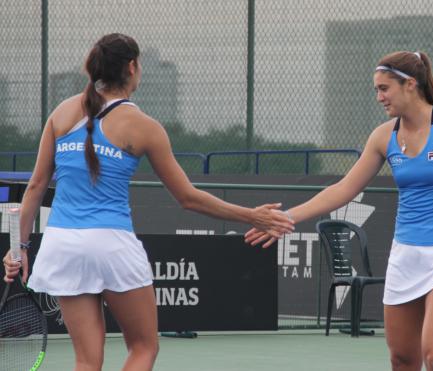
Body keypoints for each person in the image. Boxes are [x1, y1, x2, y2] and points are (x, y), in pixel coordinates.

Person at [2, 33, 293, 371]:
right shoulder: (144, 127)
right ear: (132, 67)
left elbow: (36, 185)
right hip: (112, 244)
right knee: (143, 349)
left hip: (63, 245)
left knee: (86, 360)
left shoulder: (63, 112)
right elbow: (188, 197)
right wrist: (252, 216)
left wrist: (19, 247)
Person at [245, 51, 433, 371]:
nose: (379, 97)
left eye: (384, 88)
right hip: (406, 256)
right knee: (402, 359)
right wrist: (287, 218)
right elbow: (343, 189)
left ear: (410, 85)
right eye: (377, 89)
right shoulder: (383, 136)